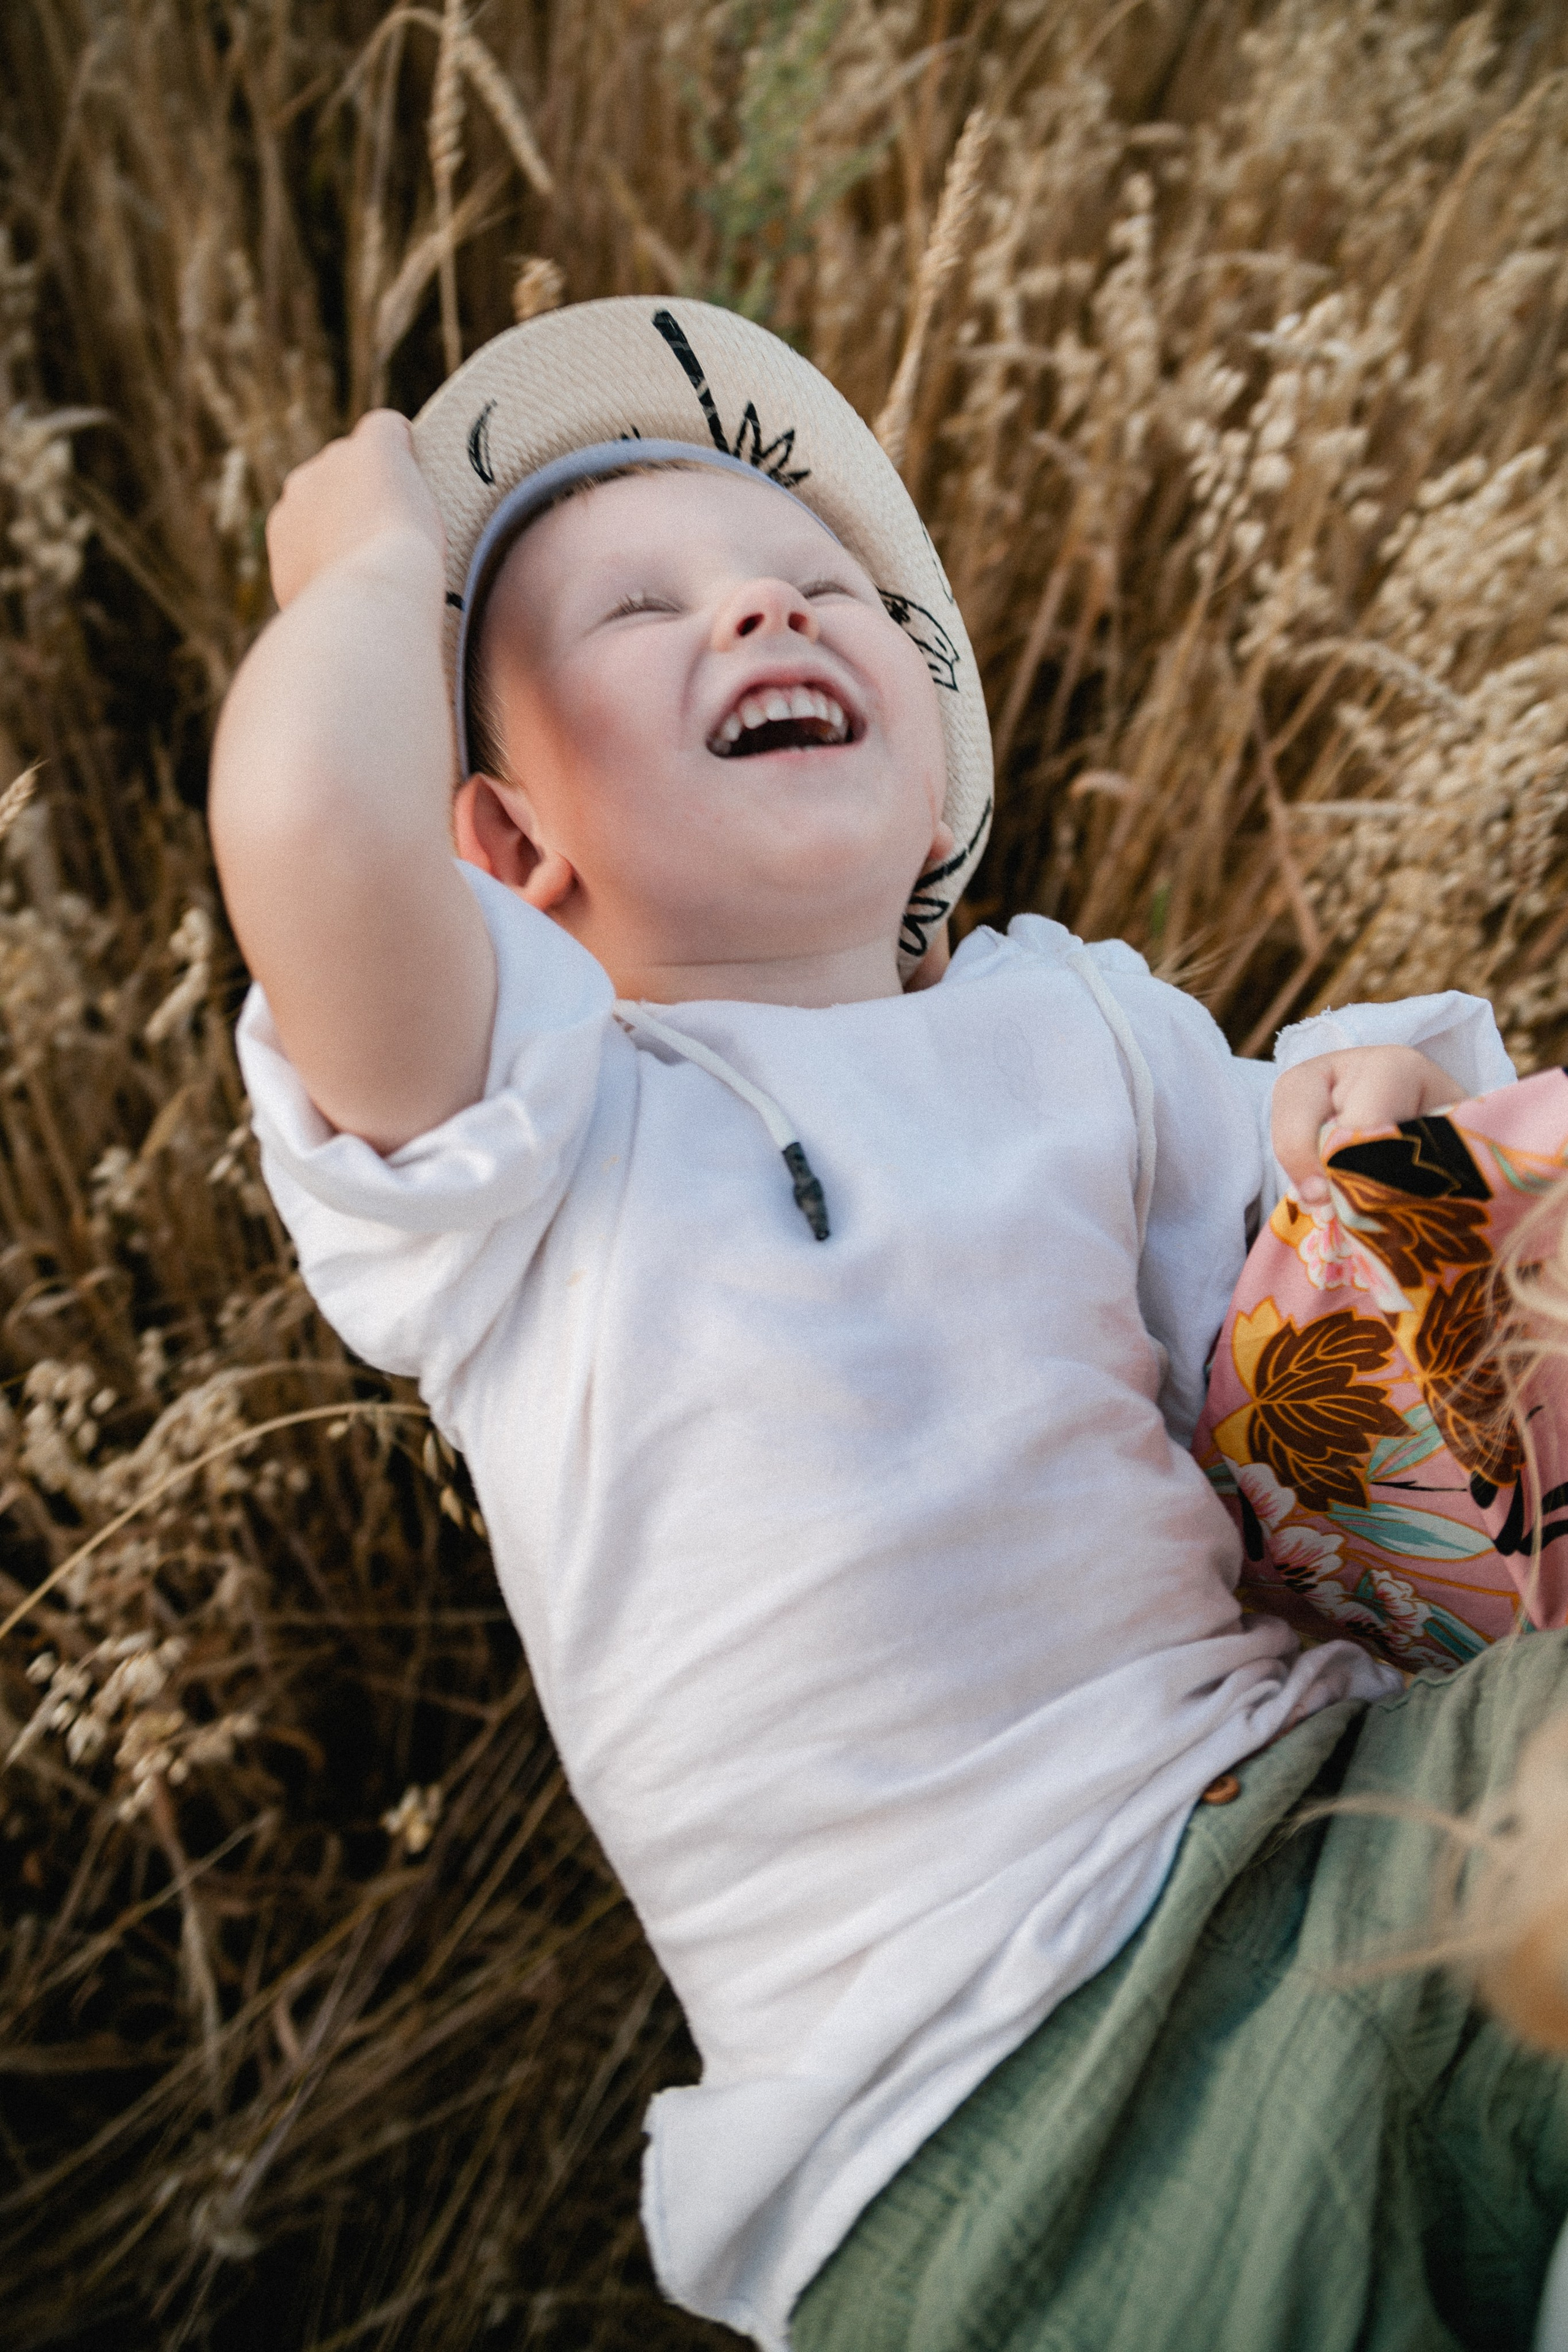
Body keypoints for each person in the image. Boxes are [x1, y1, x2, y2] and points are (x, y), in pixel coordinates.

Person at [209, 298, 1568, 2352]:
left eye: (820, 584)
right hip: (973, 2112)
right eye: (642, 609)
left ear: (934, 767)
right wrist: (369, 570)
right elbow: (316, 838)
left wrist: (1366, 1147)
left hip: (1340, 1824)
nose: (759, 610)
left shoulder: (1080, 1026)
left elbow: (1311, 1398)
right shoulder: (542, 1128)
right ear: (506, 853)